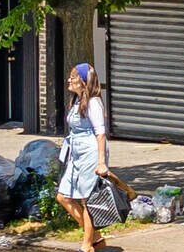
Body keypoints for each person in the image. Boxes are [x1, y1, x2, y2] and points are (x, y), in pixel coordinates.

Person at [57, 62, 114, 252]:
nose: (69, 80)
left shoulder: (93, 102)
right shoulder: (76, 100)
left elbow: (100, 133)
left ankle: (87, 245)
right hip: (76, 152)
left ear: (83, 81)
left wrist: (101, 163)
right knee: (63, 197)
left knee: (87, 200)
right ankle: (95, 237)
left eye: (73, 77)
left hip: (90, 152)